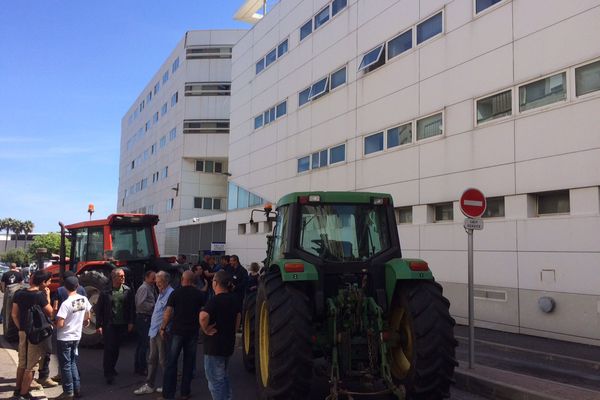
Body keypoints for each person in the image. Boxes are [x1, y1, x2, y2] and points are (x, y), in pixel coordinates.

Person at [159, 271, 205, 400]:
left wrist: (163, 327)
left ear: (183, 279)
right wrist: (202, 329)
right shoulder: (200, 294)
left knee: (171, 363)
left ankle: (168, 394)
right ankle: (185, 392)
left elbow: (168, 312)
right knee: (189, 363)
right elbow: (203, 313)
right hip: (192, 332)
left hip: (177, 332)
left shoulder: (176, 293)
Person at [11, 270, 53, 400]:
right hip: (35, 334)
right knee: (32, 365)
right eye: (48, 281)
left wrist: (21, 328)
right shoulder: (39, 295)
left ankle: (17, 391)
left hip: (23, 331)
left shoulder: (19, 293)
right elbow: (50, 312)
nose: (49, 284)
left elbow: (14, 314)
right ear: (43, 282)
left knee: (22, 363)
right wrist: (48, 297)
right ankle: (23, 394)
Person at [200, 270, 241, 400]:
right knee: (223, 377)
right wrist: (232, 331)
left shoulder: (214, 300)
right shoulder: (234, 299)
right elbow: (238, 316)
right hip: (228, 344)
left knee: (215, 381)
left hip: (214, 346)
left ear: (216, 283)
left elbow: (203, 316)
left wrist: (205, 329)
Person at [134, 271, 174, 395]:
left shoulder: (170, 294)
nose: (157, 284)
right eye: (156, 282)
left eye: (159, 282)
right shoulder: (162, 293)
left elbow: (170, 313)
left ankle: (168, 386)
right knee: (152, 358)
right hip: (154, 330)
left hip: (162, 331)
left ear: (166, 281)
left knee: (163, 360)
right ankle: (150, 384)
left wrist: (163, 328)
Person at [54, 276, 92, 400]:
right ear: (78, 286)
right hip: (77, 336)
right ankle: (77, 389)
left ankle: (68, 392)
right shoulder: (83, 299)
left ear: (65, 287)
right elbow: (88, 313)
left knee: (65, 365)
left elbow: (60, 323)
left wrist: (54, 323)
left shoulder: (66, 304)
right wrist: (85, 320)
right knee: (72, 363)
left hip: (65, 337)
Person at [95, 268, 135, 384]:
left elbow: (131, 307)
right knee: (109, 348)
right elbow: (99, 310)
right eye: (121, 276)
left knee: (116, 348)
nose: (123, 278)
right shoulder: (105, 292)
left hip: (122, 324)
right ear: (114, 278)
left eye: (123, 276)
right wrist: (99, 325)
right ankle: (108, 373)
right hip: (109, 324)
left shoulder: (128, 290)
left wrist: (131, 322)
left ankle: (112, 367)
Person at [134, 271, 157, 376]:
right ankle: (141, 367)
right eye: (153, 278)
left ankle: (138, 366)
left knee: (141, 344)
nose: (155, 280)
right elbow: (140, 304)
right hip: (143, 318)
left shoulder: (150, 287)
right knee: (143, 344)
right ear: (146, 277)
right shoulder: (144, 288)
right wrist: (153, 305)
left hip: (146, 317)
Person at [1, 262, 23, 339]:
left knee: (7, 312)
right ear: (15, 267)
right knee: (16, 311)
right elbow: (21, 284)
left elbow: (3, 284)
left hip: (8, 292)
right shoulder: (19, 274)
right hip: (16, 292)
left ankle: (8, 333)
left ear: (10, 267)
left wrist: (3, 291)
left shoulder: (5, 274)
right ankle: (15, 332)